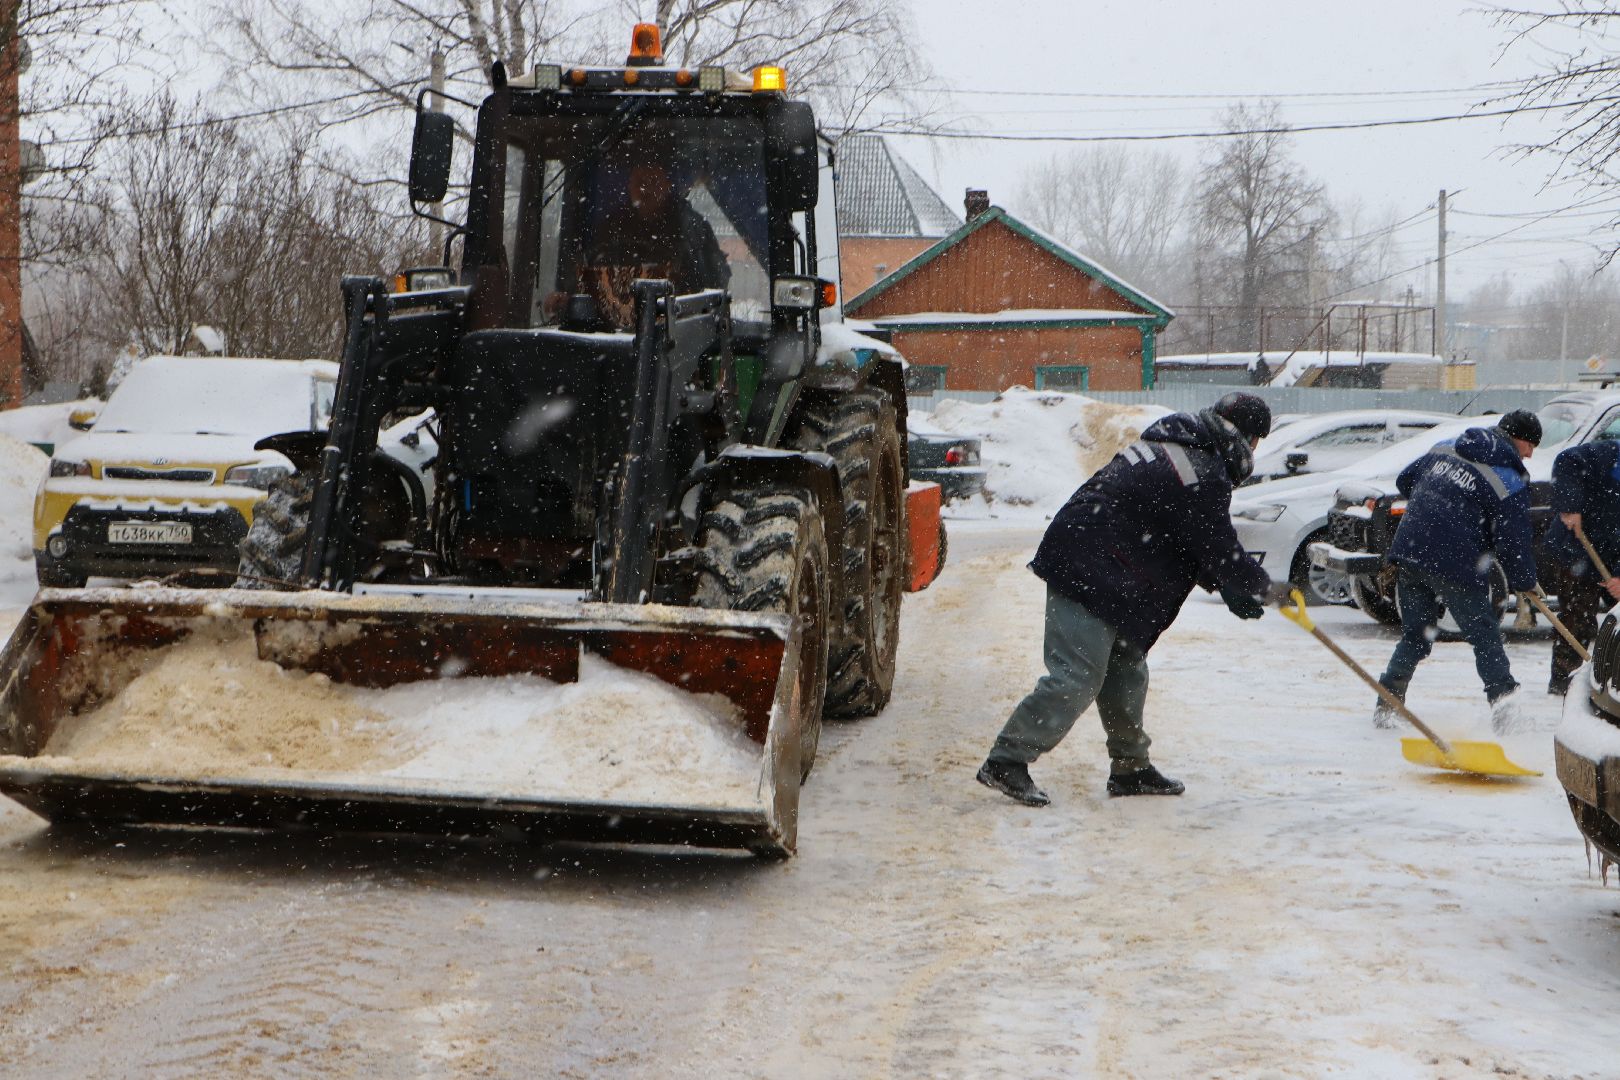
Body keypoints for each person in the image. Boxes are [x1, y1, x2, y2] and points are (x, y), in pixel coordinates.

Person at [975, 392, 1279, 807]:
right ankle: (1006, 760)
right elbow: (1216, 542)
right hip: (1086, 564)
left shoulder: (1182, 449)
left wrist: (1223, 582)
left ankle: (1131, 768)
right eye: (1257, 441)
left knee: (1126, 666)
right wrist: (1261, 586)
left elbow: (1183, 533)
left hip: (1107, 564)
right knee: (1078, 676)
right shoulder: (1200, 468)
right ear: (1245, 437)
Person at [1373, 410, 1541, 732]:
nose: (1530, 454)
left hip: (1411, 549)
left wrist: (1438, 506)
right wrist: (1524, 581)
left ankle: (1387, 705)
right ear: (1516, 438)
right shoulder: (1508, 479)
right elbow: (1514, 541)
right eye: (1530, 445)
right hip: (1455, 561)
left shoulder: (1447, 446)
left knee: (1416, 636)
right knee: (1485, 637)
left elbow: (1405, 480)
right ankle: (1506, 713)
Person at [564, 162, 730, 326]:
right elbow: (584, 278)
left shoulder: (693, 230)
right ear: (630, 186)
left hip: (679, 332)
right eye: (639, 182)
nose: (644, 189)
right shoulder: (611, 229)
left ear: (667, 185)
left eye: (652, 182)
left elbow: (712, 290)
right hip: (608, 333)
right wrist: (566, 300)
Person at [1539, 438, 1620, 695]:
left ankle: (1612, 683)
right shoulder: (1610, 455)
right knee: (1578, 618)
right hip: (1577, 549)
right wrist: (1570, 506)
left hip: (1613, 552)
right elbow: (1568, 461)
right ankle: (1565, 682)